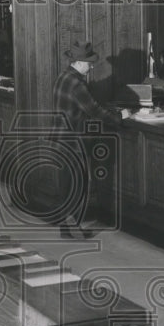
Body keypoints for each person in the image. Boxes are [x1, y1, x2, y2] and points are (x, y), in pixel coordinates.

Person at [53, 40, 131, 239]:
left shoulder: (63, 77)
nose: (91, 66)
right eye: (89, 63)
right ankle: (73, 231)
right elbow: (94, 110)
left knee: (66, 186)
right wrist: (120, 117)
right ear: (78, 62)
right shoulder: (77, 84)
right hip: (74, 142)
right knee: (77, 187)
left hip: (61, 139)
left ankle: (67, 228)